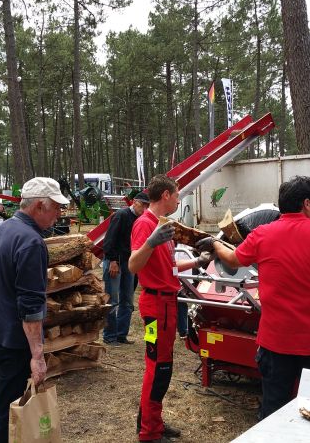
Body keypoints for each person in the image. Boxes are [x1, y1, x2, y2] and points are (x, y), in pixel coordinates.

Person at [196, 175, 310, 420]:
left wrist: (216, 244)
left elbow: (233, 259)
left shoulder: (263, 234)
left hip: (275, 343)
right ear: (306, 203)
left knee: (273, 408)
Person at [0, 177, 68, 443]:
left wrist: (1, 290)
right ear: (39, 206)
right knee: (13, 411)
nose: (59, 214)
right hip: (15, 343)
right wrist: (38, 356)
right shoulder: (31, 242)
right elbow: (30, 307)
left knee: (4, 407)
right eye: (56, 208)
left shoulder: (1, 229)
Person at [128, 175, 211, 443]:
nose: (178, 199)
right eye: (176, 195)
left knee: (160, 365)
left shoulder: (163, 226)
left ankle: (152, 421)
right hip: (156, 307)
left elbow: (170, 268)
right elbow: (133, 265)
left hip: (165, 304)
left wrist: (198, 260)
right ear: (165, 195)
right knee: (159, 367)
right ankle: (149, 433)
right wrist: (150, 242)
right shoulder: (145, 225)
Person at [102, 192, 149, 345]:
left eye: (147, 206)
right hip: (116, 261)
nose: (145, 208)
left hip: (129, 262)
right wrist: (113, 260)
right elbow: (110, 240)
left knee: (127, 301)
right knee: (112, 300)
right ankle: (109, 336)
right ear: (134, 202)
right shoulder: (121, 215)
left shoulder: (140, 220)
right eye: (143, 204)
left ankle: (121, 335)